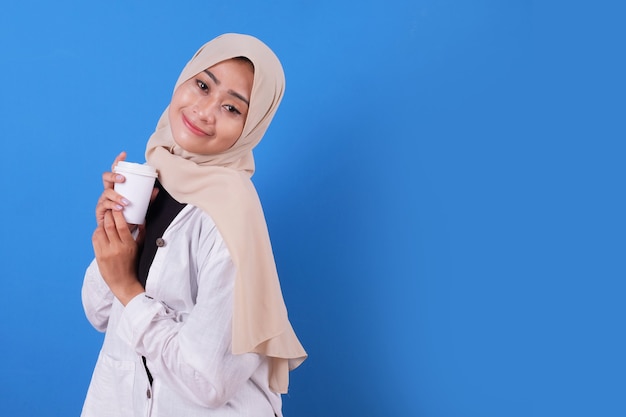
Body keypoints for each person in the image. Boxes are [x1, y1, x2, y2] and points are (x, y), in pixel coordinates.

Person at [81, 33, 307, 417]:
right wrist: (119, 234)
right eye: (202, 85)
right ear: (183, 79)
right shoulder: (160, 175)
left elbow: (209, 382)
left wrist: (127, 286)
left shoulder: (231, 215)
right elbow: (99, 313)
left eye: (232, 109)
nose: (204, 111)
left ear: (251, 127)